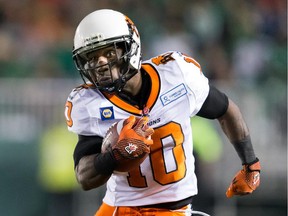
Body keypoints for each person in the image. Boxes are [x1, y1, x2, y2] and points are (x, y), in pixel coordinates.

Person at [64, 9, 261, 216]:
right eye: (92, 58)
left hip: (172, 209)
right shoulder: (90, 102)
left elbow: (226, 110)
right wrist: (114, 156)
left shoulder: (176, 76)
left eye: (109, 53)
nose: (101, 64)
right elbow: (84, 177)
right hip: (120, 208)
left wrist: (251, 165)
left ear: (130, 47)